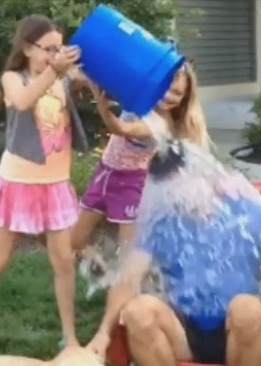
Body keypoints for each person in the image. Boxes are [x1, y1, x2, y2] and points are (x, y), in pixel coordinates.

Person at [82, 139, 261, 366]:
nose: (178, 196)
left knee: (246, 308)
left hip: (242, 331)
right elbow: (129, 276)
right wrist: (104, 333)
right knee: (138, 311)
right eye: (168, 190)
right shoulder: (164, 223)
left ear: (201, 175)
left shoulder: (246, 212)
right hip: (184, 331)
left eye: (181, 185)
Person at [0, 14, 90, 360]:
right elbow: (25, 100)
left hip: (55, 185)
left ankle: (69, 337)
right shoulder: (13, 79)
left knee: (63, 262)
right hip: (18, 185)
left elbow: (95, 81)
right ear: (28, 48)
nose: (55, 54)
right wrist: (55, 69)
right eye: (48, 49)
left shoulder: (63, 78)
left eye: (60, 47)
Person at [71, 61, 211, 279]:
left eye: (177, 94)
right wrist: (86, 76)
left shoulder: (161, 123)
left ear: (183, 99)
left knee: (130, 254)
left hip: (130, 184)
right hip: (104, 175)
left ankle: (135, 295)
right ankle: (105, 274)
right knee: (75, 240)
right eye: (167, 88)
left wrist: (102, 108)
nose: (170, 97)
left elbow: (120, 129)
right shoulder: (138, 99)